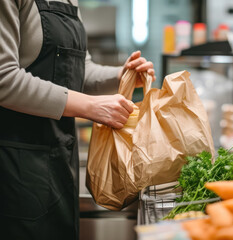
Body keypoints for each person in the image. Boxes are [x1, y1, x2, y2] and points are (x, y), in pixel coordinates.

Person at [0, 0, 155, 239]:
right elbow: (4, 79)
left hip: (60, 160)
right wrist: (91, 107)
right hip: (17, 165)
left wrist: (120, 76)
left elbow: (80, 70)